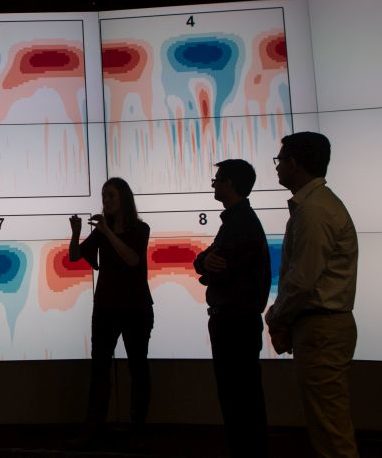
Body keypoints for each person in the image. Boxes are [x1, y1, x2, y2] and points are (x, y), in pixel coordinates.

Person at [265, 132, 359, 458]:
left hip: (321, 329)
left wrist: (275, 316)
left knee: (331, 434)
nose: (277, 168)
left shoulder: (313, 211)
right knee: (328, 426)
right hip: (323, 328)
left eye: (280, 160)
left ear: (294, 163)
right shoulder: (318, 205)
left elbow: (302, 281)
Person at [193, 159, 271, 458]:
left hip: (234, 323)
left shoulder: (240, 224)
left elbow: (218, 267)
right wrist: (207, 265)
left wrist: (207, 268)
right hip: (235, 322)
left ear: (230, 184)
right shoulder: (238, 221)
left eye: (218, 179)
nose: (213, 183)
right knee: (242, 396)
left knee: (239, 398)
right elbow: (206, 261)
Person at [69, 177, 154, 443]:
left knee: (138, 369)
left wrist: (107, 233)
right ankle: (94, 428)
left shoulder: (140, 229)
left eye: (111, 196)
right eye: (104, 196)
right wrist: (76, 231)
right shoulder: (101, 231)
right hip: (105, 308)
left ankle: (138, 428)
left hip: (135, 308)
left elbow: (132, 259)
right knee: (100, 370)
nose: (106, 201)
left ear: (124, 199)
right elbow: (74, 256)